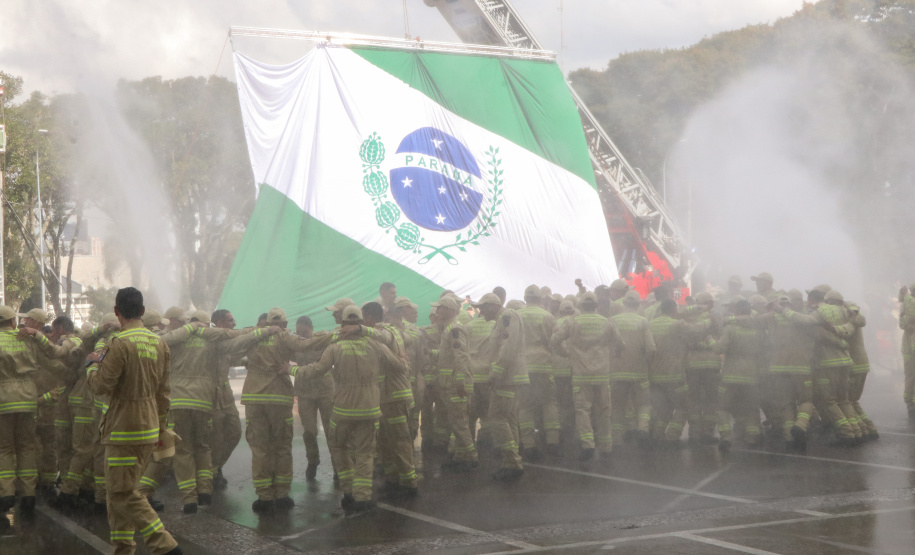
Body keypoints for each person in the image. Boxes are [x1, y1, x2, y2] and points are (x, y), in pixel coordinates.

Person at [84, 287, 182, 555]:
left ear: (117, 312)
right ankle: (123, 549)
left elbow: (101, 386)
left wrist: (92, 365)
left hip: (122, 430)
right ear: (142, 311)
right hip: (148, 428)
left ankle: (165, 545)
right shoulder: (159, 343)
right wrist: (160, 427)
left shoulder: (119, 343)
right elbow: (164, 393)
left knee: (122, 493)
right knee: (118, 492)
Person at [293, 305, 408, 515]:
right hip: (370, 409)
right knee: (365, 453)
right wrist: (402, 359)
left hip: (343, 411)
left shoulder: (335, 347)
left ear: (343, 324)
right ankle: (362, 497)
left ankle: (348, 492)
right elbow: (401, 368)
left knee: (340, 448)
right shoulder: (376, 345)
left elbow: (316, 370)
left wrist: (292, 369)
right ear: (361, 323)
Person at [242, 308, 331, 513]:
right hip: (280, 398)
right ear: (284, 324)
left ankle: (264, 496)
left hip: (255, 398)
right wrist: (336, 335)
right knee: (282, 446)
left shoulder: (252, 337)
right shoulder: (285, 337)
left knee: (260, 448)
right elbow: (305, 345)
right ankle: (282, 494)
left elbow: (232, 346)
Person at [550, 292, 621, 463]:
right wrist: (609, 357)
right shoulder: (607, 322)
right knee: (604, 410)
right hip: (602, 374)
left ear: (581, 306)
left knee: (583, 410)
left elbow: (554, 340)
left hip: (581, 375)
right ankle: (606, 446)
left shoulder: (572, 322)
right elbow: (619, 344)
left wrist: (566, 353)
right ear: (596, 305)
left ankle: (588, 445)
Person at [430, 297, 478, 472]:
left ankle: (470, 455)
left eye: (440, 308)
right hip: (450, 383)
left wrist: (460, 382)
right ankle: (460, 455)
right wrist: (432, 353)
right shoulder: (450, 329)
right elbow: (449, 355)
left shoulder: (454, 330)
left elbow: (461, 357)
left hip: (455, 384)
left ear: (449, 310)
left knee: (459, 422)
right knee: (456, 420)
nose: (437, 312)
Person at [518, 285, 560, 460]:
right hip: (544, 365)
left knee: (525, 405)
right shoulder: (548, 316)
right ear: (540, 299)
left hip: (523, 366)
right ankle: (553, 441)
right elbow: (556, 340)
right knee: (549, 402)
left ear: (525, 298)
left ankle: (528, 444)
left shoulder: (517, 315)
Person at [608, 290, 655, 448]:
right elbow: (651, 348)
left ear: (624, 303)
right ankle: (642, 429)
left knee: (618, 406)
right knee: (644, 404)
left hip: (616, 372)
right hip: (639, 372)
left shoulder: (613, 321)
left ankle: (617, 438)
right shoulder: (643, 322)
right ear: (638, 304)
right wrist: (645, 363)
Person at [293, 315, 335, 481]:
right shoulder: (294, 344)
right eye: (298, 332)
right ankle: (312, 459)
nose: (301, 335)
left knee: (332, 429)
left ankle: (338, 463)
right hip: (305, 392)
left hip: (325, 390)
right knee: (309, 430)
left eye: (304, 332)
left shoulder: (321, 339)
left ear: (311, 329)